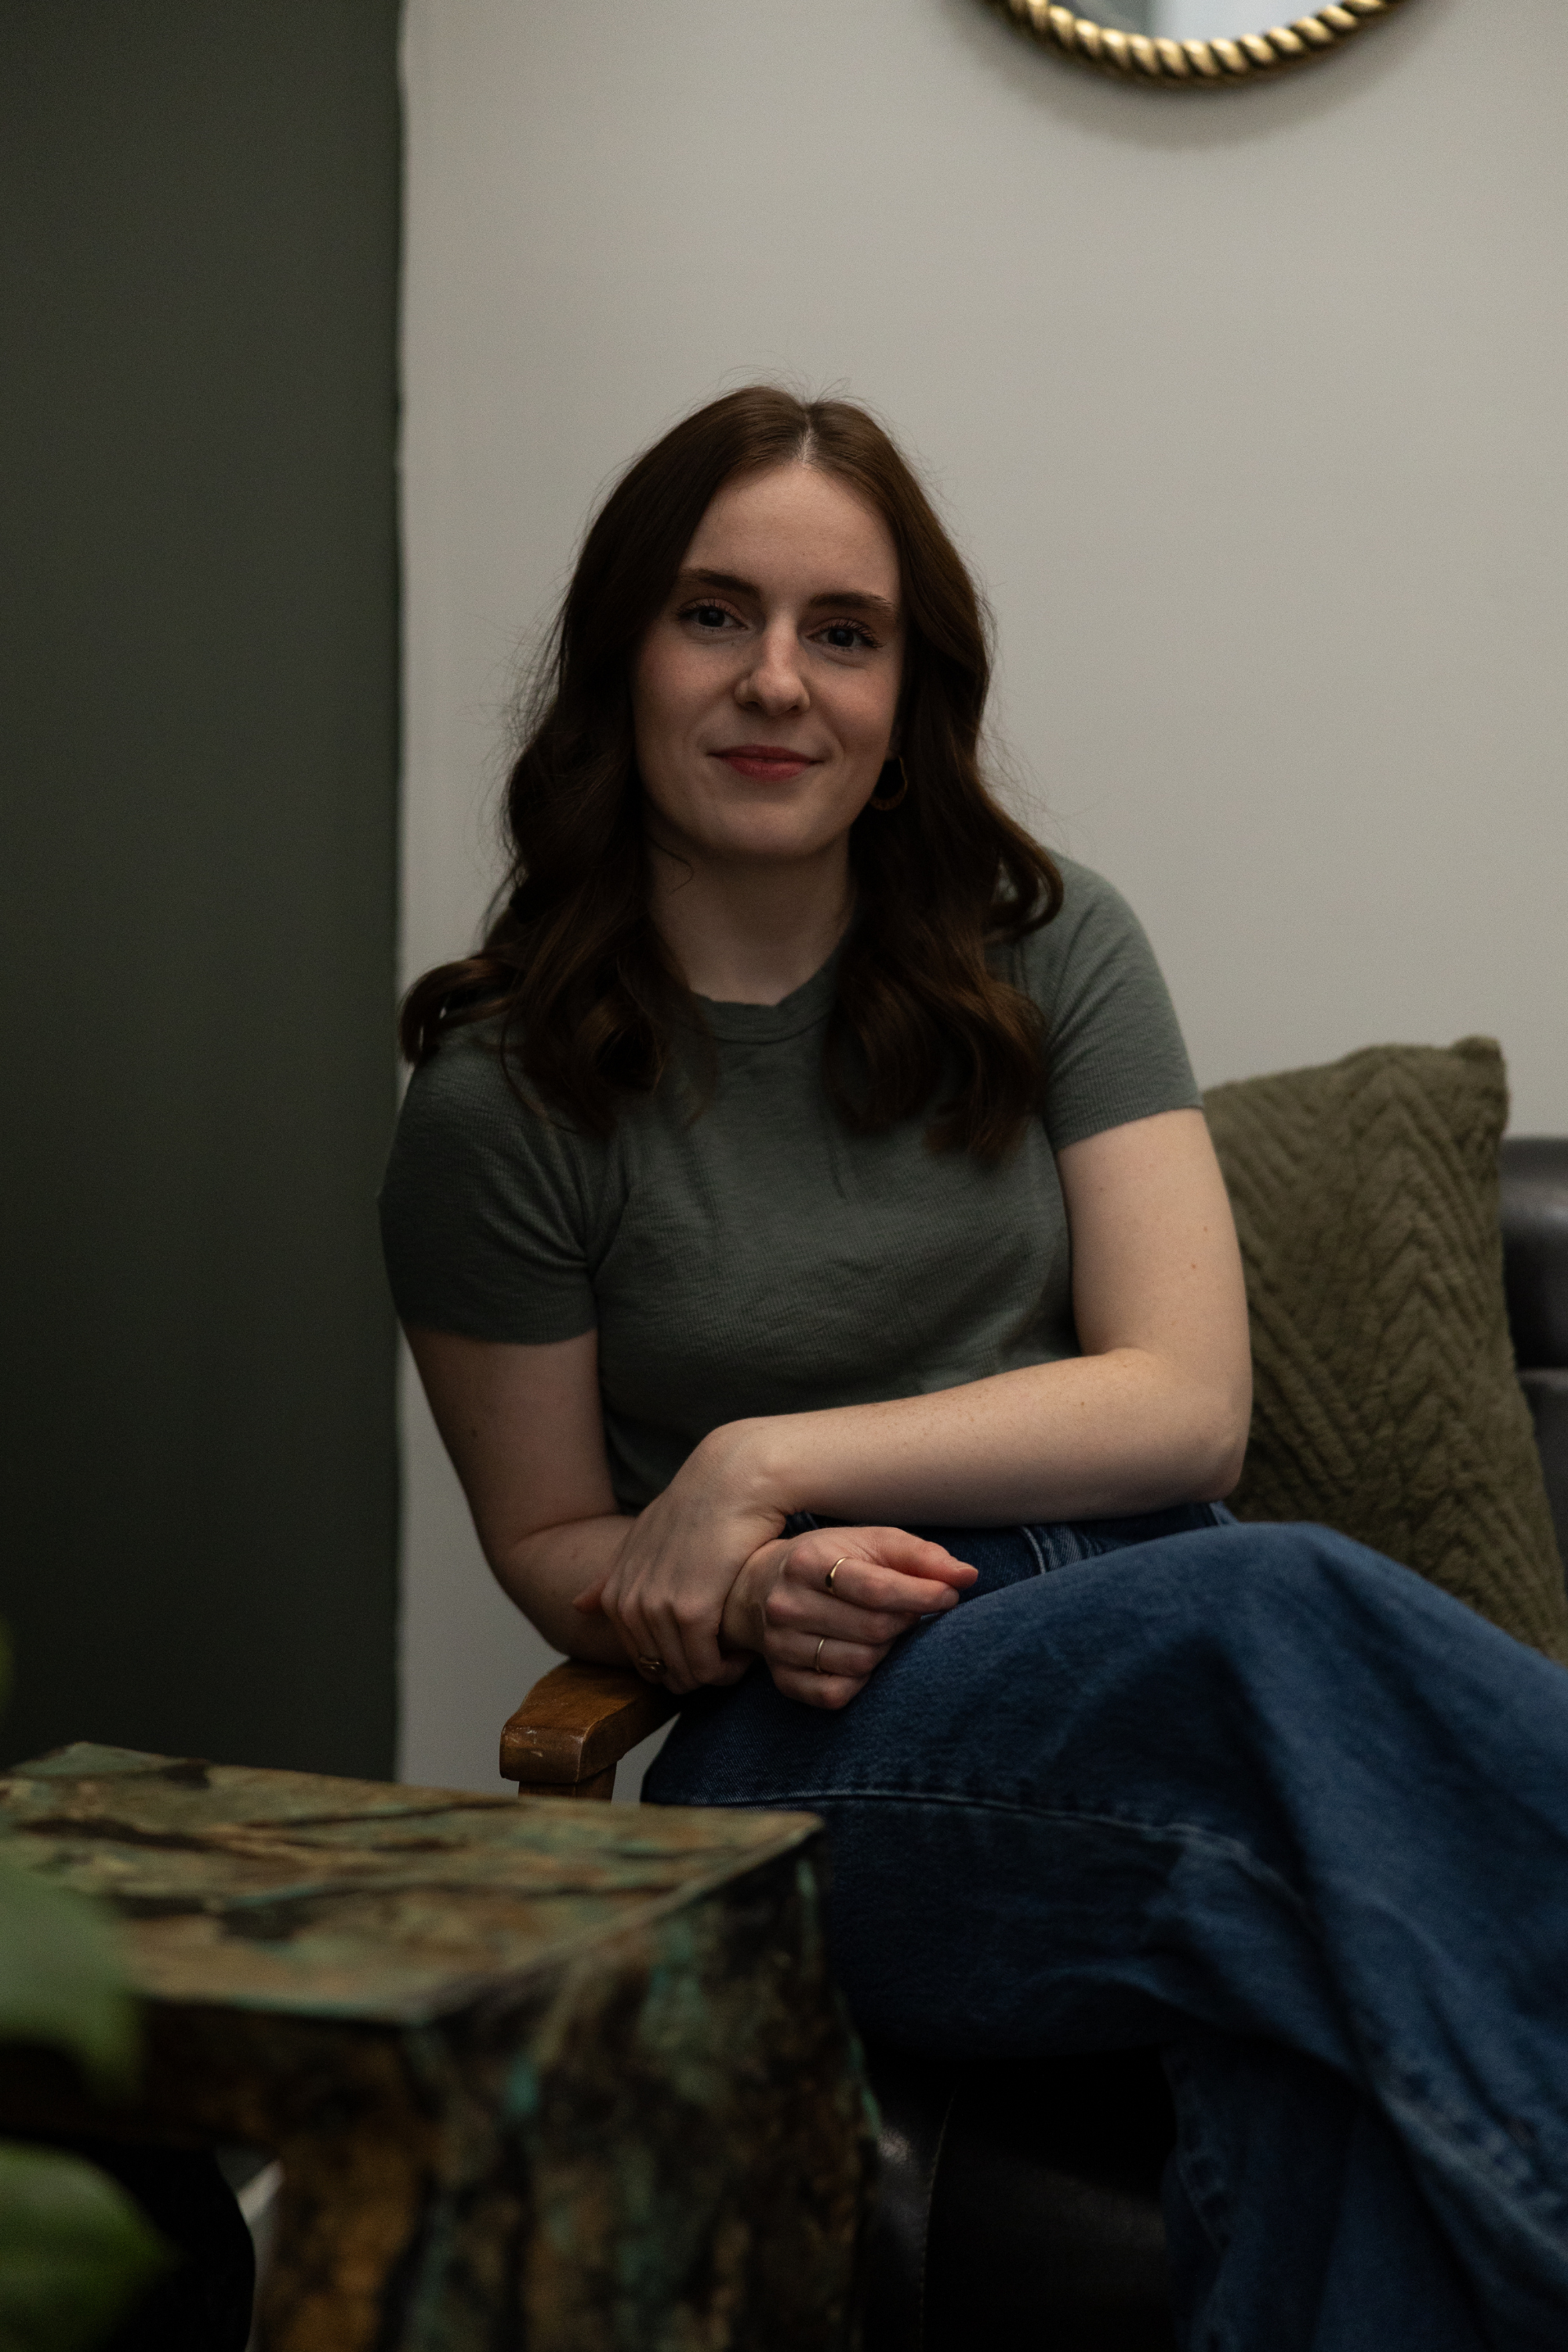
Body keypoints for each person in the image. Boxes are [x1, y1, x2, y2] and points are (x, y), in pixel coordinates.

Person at [381, 387, 1568, 2350]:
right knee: (1269, 1607)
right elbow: (554, 1535)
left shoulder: (1048, 947)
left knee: (1321, 2040)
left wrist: (763, 1457)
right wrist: (750, 1577)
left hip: (1129, 1638)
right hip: (815, 1747)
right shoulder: (503, 1097)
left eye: (841, 633)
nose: (778, 682)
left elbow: (1186, 1400)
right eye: (713, 615)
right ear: (619, 656)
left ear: (905, 690)